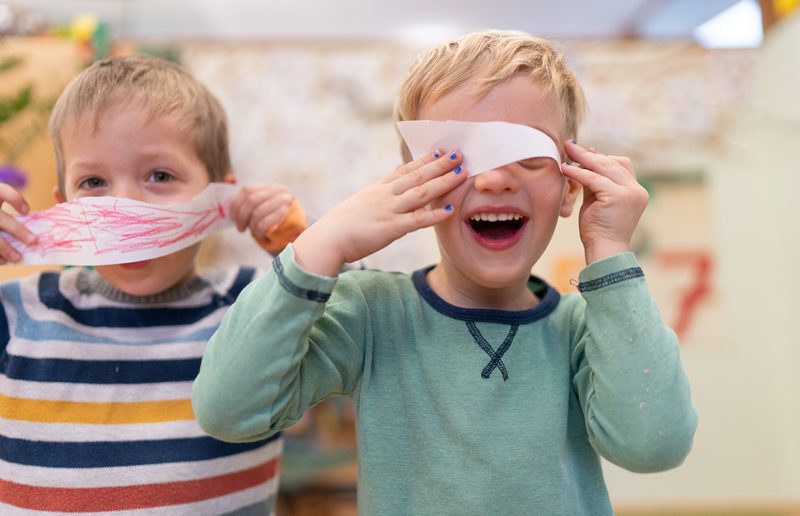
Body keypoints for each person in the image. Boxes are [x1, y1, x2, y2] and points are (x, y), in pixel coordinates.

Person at [193, 30, 698, 515]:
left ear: (570, 187)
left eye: (526, 154)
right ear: (414, 182)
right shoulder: (371, 314)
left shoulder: (583, 331)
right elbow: (229, 410)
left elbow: (654, 445)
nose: (496, 178)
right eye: (457, 157)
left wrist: (609, 249)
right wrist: (324, 242)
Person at [0, 54, 306, 514]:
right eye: (94, 181)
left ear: (219, 198)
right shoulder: (20, 312)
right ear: (63, 207)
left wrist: (304, 246)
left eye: (159, 176)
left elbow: (364, 320)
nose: (124, 208)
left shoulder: (257, 306)